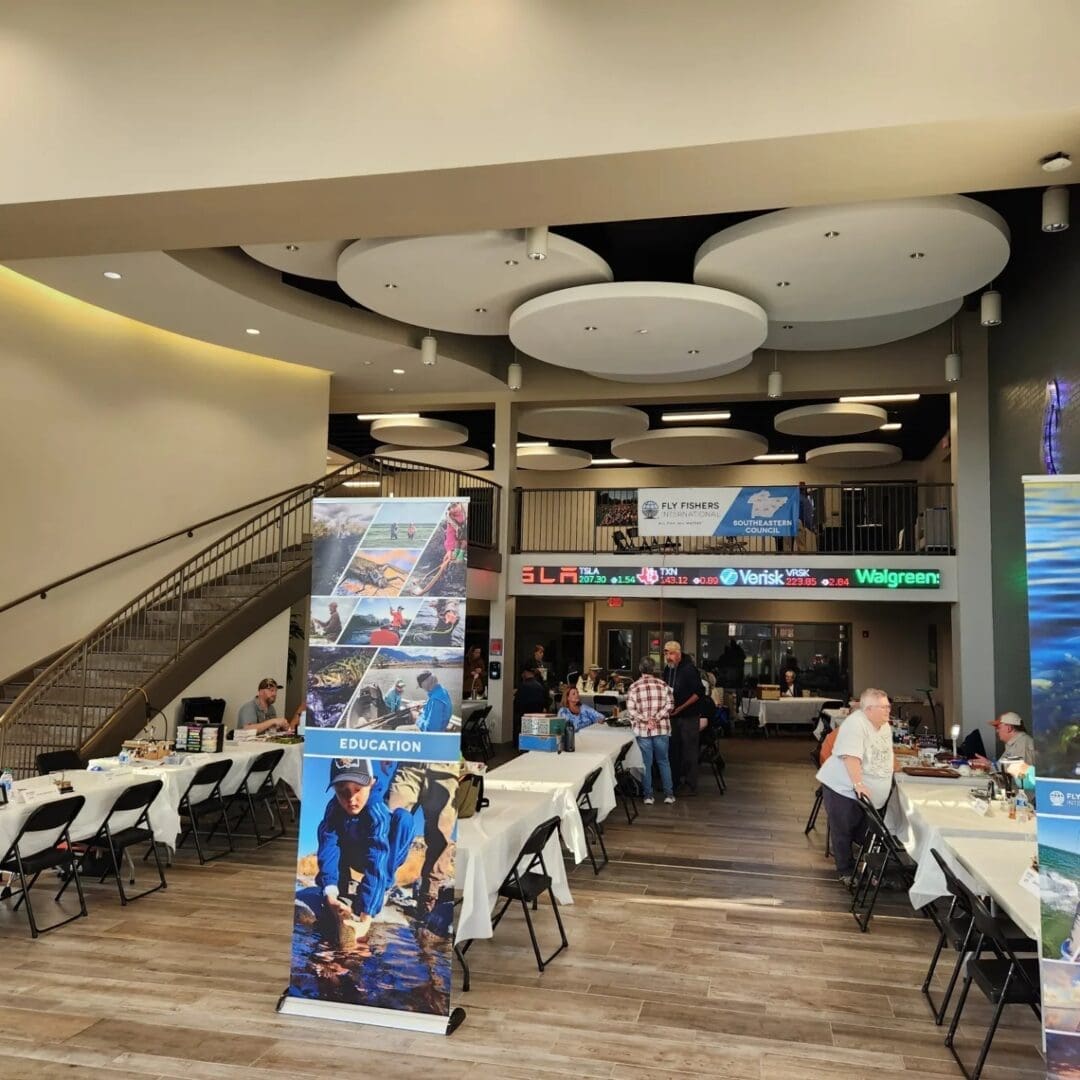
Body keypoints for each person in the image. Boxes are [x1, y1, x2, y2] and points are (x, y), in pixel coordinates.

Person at [297, 757, 415, 943]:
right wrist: (331, 896)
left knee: (404, 819)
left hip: (378, 859)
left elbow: (378, 858)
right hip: (350, 853)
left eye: (358, 790)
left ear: (372, 783)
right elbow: (328, 850)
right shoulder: (334, 808)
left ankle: (381, 890)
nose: (351, 799)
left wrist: (365, 920)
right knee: (327, 830)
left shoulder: (377, 811)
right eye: (342, 792)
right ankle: (342, 888)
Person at [815, 688, 897, 886]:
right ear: (868, 709)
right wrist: (859, 784)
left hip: (869, 794)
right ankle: (847, 872)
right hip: (843, 788)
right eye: (884, 707)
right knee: (843, 829)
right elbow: (850, 757)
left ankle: (873, 873)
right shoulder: (855, 724)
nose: (888, 710)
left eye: (888, 706)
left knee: (870, 832)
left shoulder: (884, 725)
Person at [625, 656, 675, 805]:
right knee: (664, 761)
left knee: (646, 763)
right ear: (654, 669)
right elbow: (670, 705)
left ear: (640, 669)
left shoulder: (634, 687)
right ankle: (669, 795)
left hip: (643, 730)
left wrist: (646, 719)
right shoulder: (663, 684)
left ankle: (648, 796)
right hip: (661, 728)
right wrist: (657, 717)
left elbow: (631, 710)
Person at [663, 641, 703, 795]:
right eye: (666, 653)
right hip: (673, 715)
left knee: (689, 751)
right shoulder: (668, 669)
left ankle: (690, 784)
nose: (668, 657)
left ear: (679, 653)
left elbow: (699, 693)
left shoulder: (689, 669)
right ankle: (674, 781)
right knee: (674, 750)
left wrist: (680, 708)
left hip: (688, 715)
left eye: (671, 653)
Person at [512, 665, 550, 741]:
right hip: (537, 715)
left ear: (525, 673)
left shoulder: (523, 686)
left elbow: (517, 703)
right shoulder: (540, 686)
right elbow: (545, 700)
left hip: (524, 715)